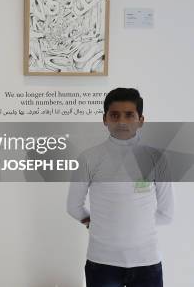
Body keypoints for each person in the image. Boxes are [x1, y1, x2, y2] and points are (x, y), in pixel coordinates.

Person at [67, 88, 173, 287]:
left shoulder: (156, 159)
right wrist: (99, 223)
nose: (122, 121)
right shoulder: (89, 158)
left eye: (129, 115)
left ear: (141, 120)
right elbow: (73, 206)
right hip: (102, 262)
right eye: (114, 115)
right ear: (105, 119)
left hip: (147, 262)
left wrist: (129, 226)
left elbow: (167, 213)